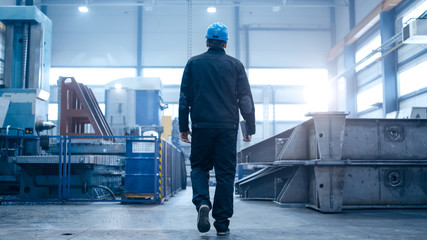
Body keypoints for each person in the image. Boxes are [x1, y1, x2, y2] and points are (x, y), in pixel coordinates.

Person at [178, 22, 255, 236]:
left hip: (201, 126)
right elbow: (245, 99)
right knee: (225, 174)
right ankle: (222, 223)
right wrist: (249, 126)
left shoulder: (193, 63)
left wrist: (183, 127)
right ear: (226, 43)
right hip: (227, 128)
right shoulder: (236, 65)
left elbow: (185, 98)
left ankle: (202, 202)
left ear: (207, 41)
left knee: (200, 168)